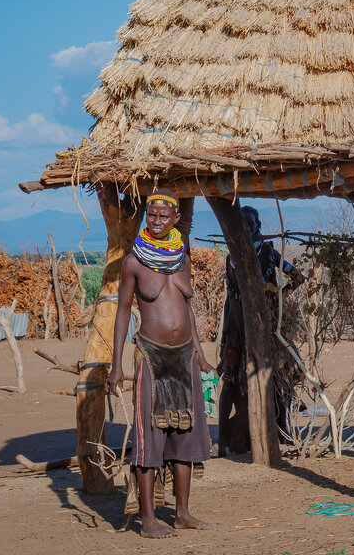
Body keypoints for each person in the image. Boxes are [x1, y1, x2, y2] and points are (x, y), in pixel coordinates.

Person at [107, 190, 212, 538]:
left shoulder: (182, 257)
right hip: (151, 356)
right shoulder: (133, 262)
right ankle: (148, 518)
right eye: (151, 215)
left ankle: (182, 513)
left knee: (185, 434)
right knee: (149, 437)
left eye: (163, 216)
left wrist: (199, 352)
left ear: (176, 218)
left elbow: (188, 311)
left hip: (184, 358)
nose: (156, 221)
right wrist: (116, 364)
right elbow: (123, 312)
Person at [217, 205, 302, 453]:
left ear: (258, 227)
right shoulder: (231, 257)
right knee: (230, 382)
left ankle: (280, 432)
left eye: (250, 224)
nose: (246, 228)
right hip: (235, 328)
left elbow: (297, 276)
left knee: (278, 378)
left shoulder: (268, 252)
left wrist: (276, 296)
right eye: (241, 224)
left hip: (265, 327)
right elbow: (229, 299)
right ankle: (221, 442)